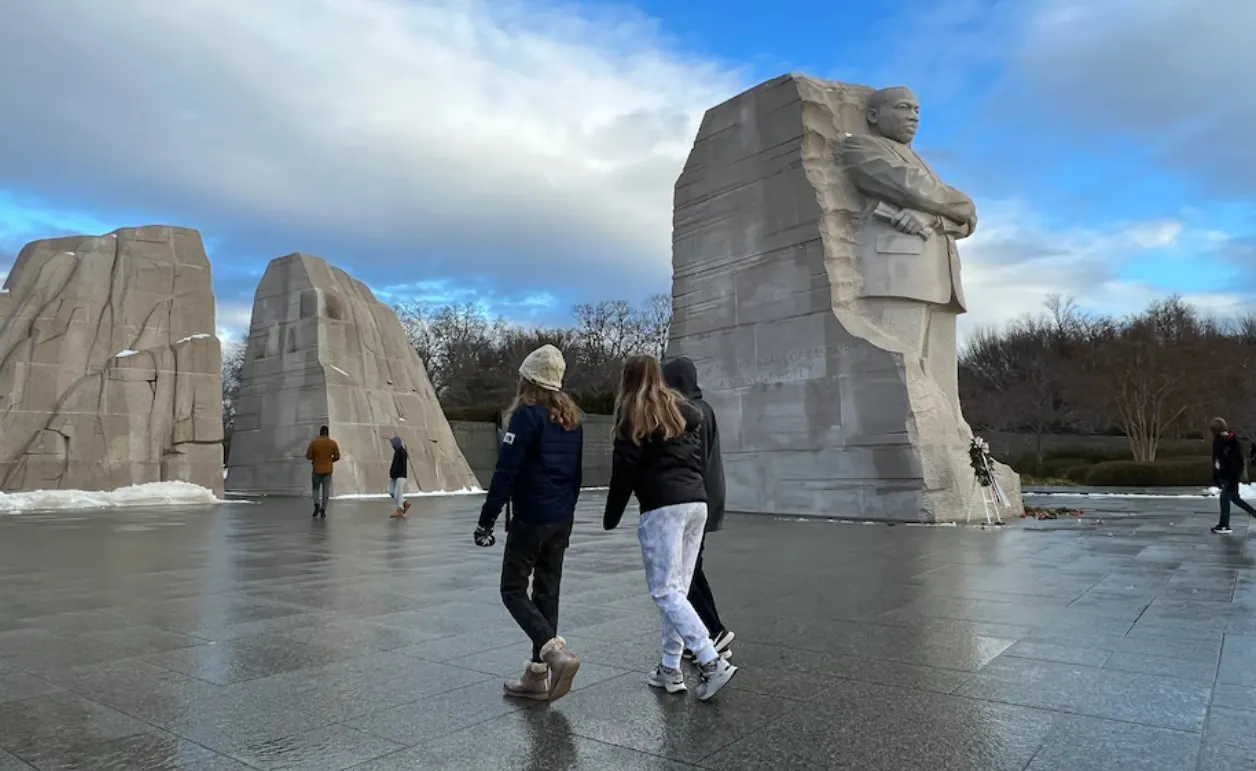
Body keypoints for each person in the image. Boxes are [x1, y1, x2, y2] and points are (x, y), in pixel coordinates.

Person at [604, 354, 738, 702]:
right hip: (696, 504)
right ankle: (669, 667)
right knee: (676, 588)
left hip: (663, 508)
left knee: (665, 590)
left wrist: (612, 515)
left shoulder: (633, 413)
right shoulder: (680, 411)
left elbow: (624, 471)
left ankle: (710, 661)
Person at [475, 345, 584, 702]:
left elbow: (506, 472)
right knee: (547, 592)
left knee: (512, 589)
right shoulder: (571, 420)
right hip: (560, 519)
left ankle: (554, 651)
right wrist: (565, 514)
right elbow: (575, 476)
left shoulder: (527, 416)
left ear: (528, 379)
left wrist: (486, 521)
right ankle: (537, 675)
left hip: (531, 518)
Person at [661, 357, 734, 662]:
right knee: (692, 569)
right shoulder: (704, 408)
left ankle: (713, 630)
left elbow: (691, 460)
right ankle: (711, 637)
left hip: (694, 498)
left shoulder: (692, 413)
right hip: (706, 495)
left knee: (684, 573)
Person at [1211, 417, 1254, 534]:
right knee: (1235, 499)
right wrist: (1216, 476)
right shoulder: (1218, 441)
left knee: (1224, 498)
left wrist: (1234, 477)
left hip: (1231, 476)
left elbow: (1238, 462)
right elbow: (1216, 460)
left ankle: (1224, 525)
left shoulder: (1232, 442)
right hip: (1225, 475)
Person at [305, 425, 340, 518]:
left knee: (315, 488)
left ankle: (317, 505)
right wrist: (330, 461)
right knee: (326, 490)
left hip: (317, 469)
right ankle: (323, 509)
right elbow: (337, 457)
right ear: (327, 433)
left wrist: (316, 459)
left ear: (320, 433)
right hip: (328, 470)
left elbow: (308, 456)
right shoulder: (332, 443)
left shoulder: (314, 443)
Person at [388, 435, 411, 519]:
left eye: (393, 444)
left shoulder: (402, 452)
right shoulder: (396, 452)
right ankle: (404, 502)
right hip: (394, 476)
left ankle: (400, 510)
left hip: (400, 476)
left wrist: (396, 473)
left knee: (399, 493)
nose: (392, 445)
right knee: (391, 492)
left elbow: (400, 466)